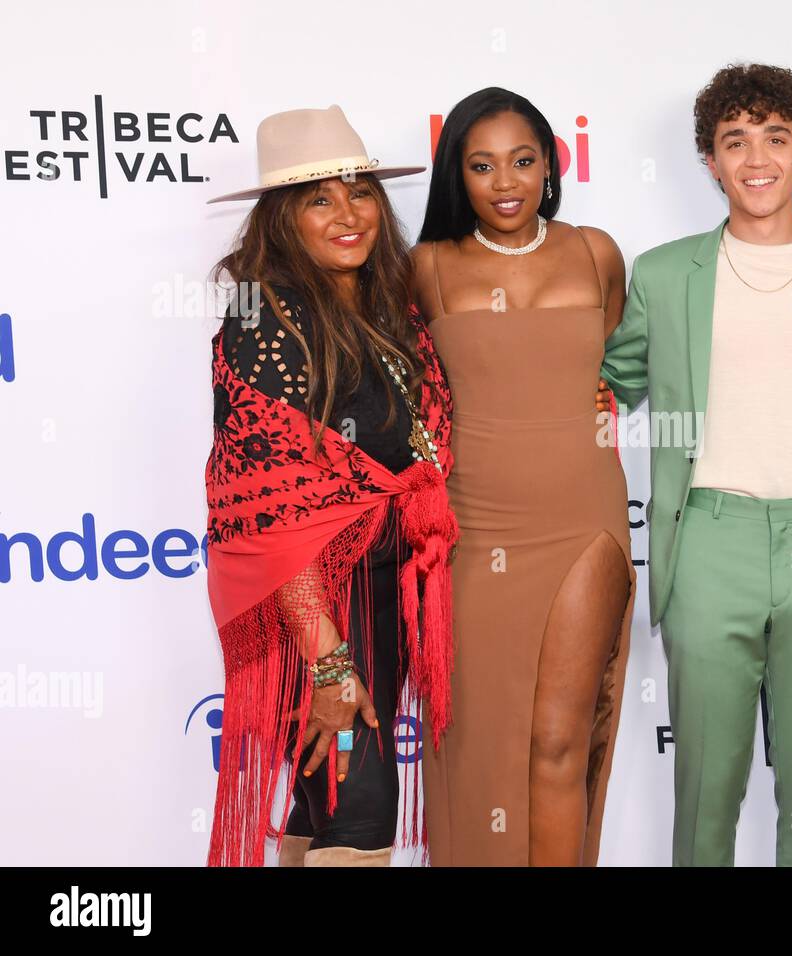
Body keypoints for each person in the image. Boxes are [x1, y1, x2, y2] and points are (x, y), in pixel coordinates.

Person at [601, 63, 792, 866]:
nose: (756, 157)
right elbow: (607, 388)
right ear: (710, 161)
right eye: (735, 141)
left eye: (775, 137)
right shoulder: (663, 276)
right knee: (704, 794)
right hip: (709, 541)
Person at [204, 105, 457, 867]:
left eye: (360, 192)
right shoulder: (266, 324)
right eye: (320, 199)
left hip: (380, 593)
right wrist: (329, 665)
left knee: (328, 804)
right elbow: (270, 516)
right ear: (282, 219)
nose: (349, 215)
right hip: (319, 612)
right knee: (361, 811)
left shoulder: (387, 306)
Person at [412, 87, 634, 866]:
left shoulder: (596, 252)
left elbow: (608, 361)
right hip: (474, 529)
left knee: (557, 737)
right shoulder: (427, 268)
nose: (504, 181)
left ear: (549, 165)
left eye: (523, 160)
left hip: (582, 517)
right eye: (481, 165)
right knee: (478, 740)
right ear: (457, 177)